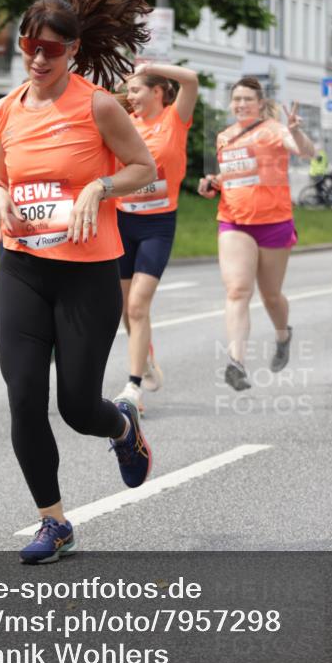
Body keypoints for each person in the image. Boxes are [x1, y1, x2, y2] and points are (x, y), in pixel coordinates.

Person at [0, 0, 157, 565]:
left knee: (77, 408)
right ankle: (53, 523)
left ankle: (122, 427)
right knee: (23, 396)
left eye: (51, 48)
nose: (38, 57)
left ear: (72, 50)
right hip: (23, 268)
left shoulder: (100, 107)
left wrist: (98, 189)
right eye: (30, 45)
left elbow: (145, 168)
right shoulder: (5, 110)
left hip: (87, 275)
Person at [197, 77, 315, 391]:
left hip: (274, 222)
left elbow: (306, 152)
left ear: (260, 104)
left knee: (271, 295)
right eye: (236, 99)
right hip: (234, 221)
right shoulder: (224, 137)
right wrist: (213, 183)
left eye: (248, 99)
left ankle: (282, 335)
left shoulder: (276, 129)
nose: (241, 105)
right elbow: (235, 175)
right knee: (237, 290)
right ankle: (236, 362)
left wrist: (296, 130)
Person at [113, 61, 199, 414]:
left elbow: (191, 80)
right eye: (129, 91)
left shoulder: (174, 119)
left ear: (158, 92)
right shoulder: (124, 126)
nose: (130, 96)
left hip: (157, 225)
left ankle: (133, 387)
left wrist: (148, 65)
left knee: (138, 305)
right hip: (122, 221)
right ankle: (144, 357)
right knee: (123, 308)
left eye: (136, 90)